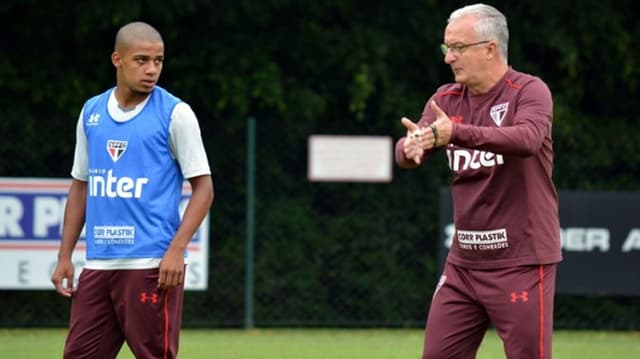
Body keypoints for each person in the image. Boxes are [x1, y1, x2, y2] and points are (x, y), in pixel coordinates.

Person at [395, 4, 562, 358]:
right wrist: (411, 147)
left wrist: (457, 132)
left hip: (521, 262)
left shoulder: (529, 91)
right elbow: (411, 150)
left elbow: (527, 140)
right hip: (464, 265)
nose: (448, 57)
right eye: (446, 48)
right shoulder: (445, 99)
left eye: (458, 48)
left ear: (490, 48)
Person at [51, 21, 214, 359]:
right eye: (141, 60)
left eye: (158, 61)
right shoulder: (91, 113)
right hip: (99, 265)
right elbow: (81, 186)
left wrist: (177, 249)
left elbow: (204, 188)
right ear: (117, 59)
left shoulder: (176, 114)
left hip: (152, 264)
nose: (152, 69)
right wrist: (65, 255)